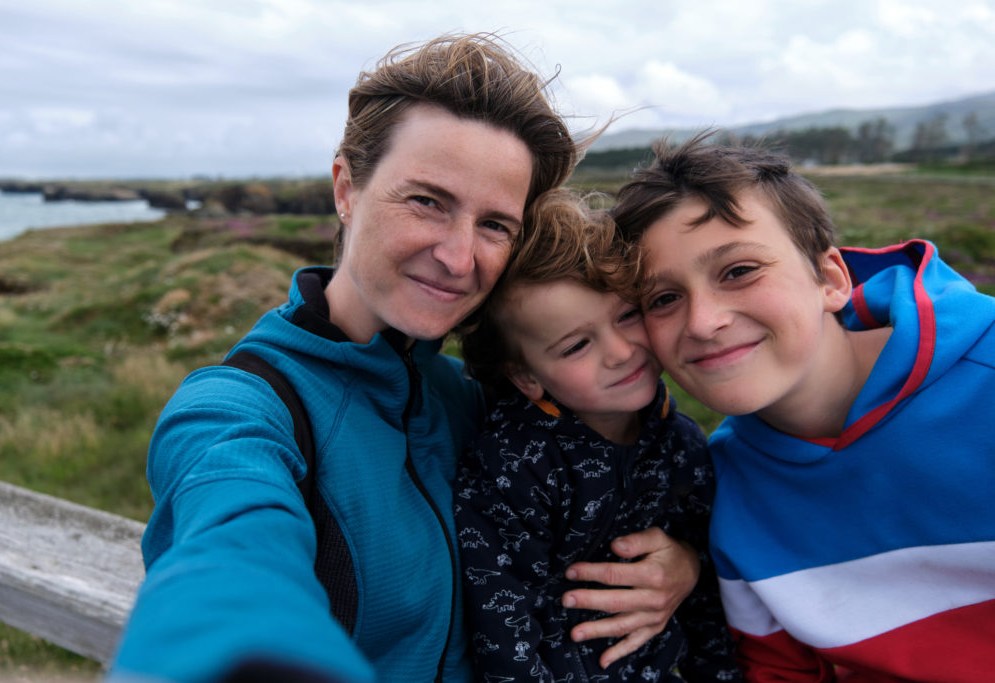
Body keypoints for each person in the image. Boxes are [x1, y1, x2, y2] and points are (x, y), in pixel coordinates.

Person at [110, 34, 702, 683]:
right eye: (427, 201)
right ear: (346, 187)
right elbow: (229, 568)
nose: (458, 255)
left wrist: (684, 562)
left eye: (494, 225)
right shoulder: (238, 411)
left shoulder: (473, 397)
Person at [612, 135, 995, 681]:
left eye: (739, 271)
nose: (702, 321)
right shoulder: (725, 485)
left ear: (831, 280)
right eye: (663, 299)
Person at [454, 188, 740, 681]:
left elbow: (716, 597)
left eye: (628, 315)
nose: (621, 351)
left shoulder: (681, 444)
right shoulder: (514, 468)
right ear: (526, 377)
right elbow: (502, 632)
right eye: (577, 345)